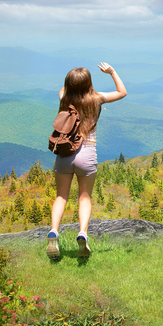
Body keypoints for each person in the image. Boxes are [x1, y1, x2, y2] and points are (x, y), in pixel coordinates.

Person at [47, 63, 127, 260]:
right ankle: (82, 233)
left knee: (61, 197)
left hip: (65, 153)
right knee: (84, 197)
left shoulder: (64, 98)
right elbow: (122, 92)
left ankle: (54, 232)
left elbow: (63, 89)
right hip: (87, 154)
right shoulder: (97, 99)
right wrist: (112, 72)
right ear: (89, 84)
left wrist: (72, 84)